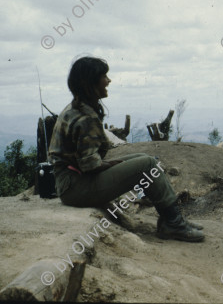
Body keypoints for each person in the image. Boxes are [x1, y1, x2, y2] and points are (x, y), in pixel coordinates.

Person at [48, 56, 205, 242]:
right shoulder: (85, 117)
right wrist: (110, 164)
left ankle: (171, 220)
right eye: (104, 76)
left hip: (70, 183)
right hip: (75, 188)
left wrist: (112, 164)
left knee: (144, 158)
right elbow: (89, 165)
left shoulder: (77, 108)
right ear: (90, 82)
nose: (109, 81)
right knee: (147, 164)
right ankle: (173, 223)